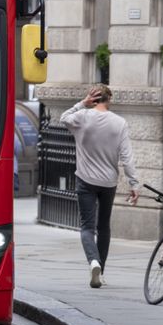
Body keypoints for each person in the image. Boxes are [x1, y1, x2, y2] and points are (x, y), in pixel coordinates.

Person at [60, 84, 140, 288]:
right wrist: (134, 183)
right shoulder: (119, 123)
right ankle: (101, 271)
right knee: (103, 226)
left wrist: (81, 104)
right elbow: (127, 157)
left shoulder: (82, 117)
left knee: (87, 226)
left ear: (92, 98)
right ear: (109, 99)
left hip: (85, 180)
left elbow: (63, 118)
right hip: (108, 182)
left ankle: (93, 261)